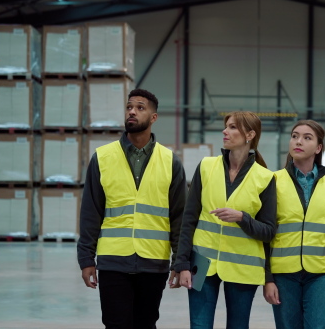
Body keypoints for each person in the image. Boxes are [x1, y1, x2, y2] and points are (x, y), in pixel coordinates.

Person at [77, 88, 187, 329]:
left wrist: (180, 262)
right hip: (113, 261)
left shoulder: (170, 161)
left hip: (153, 261)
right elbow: (90, 212)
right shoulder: (102, 158)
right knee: (116, 324)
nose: (132, 112)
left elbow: (179, 217)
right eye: (129, 107)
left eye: (140, 108)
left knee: (146, 324)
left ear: (153, 117)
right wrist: (86, 259)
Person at [174, 111, 277, 329]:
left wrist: (242, 218)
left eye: (232, 127)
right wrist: (182, 263)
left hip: (243, 267)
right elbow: (189, 219)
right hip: (201, 262)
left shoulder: (265, 178)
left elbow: (268, 232)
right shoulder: (206, 166)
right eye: (226, 126)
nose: (225, 131)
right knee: (199, 325)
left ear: (250, 134)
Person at [263, 120, 325, 329]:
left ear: (319, 147)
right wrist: (267, 278)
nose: (298, 141)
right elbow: (266, 235)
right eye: (294, 136)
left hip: (322, 274)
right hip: (284, 274)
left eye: (307, 137)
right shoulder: (273, 181)